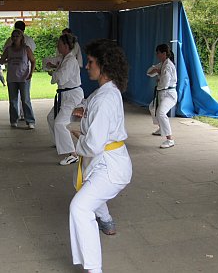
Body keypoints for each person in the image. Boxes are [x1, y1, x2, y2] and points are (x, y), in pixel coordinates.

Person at [69, 39, 132, 273]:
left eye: (91, 62)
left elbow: (94, 145)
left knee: (80, 208)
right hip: (105, 163)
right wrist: (83, 110)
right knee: (86, 189)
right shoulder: (104, 91)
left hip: (110, 167)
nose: (87, 66)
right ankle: (106, 220)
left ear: (104, 66)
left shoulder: (106, 99)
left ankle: (94, 269)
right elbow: (90, 102)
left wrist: (78, 138)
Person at [46, 34, 84, 165]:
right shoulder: (64, 58)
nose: (58, 46)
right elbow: (60, 74)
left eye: (60, 44)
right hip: (66, 95)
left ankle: (73, 154)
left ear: (66, 46)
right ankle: (59, 142)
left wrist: (54, 73)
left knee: (60, 123)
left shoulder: (70, 60)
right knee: (51, 117)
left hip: (72, 96)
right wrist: (54, 70)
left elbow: (62, 78)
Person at [0, 29, 36, 129]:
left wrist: (31, 73)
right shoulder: (8, 49)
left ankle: (30, 121)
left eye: (17, 36)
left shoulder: (26, 49)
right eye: (14, 36)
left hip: (24, 78)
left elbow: (33, 61)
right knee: (13, 100)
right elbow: (1, 61)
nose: (15, 38)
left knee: (25, 100)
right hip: (12, 78)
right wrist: (7, 59)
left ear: (21, 38)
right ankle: (13, 120)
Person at [147, 43, 177, 148]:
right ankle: (161, 128)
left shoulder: (168, 65)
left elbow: (164, 84)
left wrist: (159, 77)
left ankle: (170, 140)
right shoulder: (162, 63)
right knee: (152, 107)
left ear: (164, 53)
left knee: (160, 113)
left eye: (158, 53)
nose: (157, 55)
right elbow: (149, 72)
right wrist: (156, 71)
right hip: (162, 93)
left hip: (169, 94)